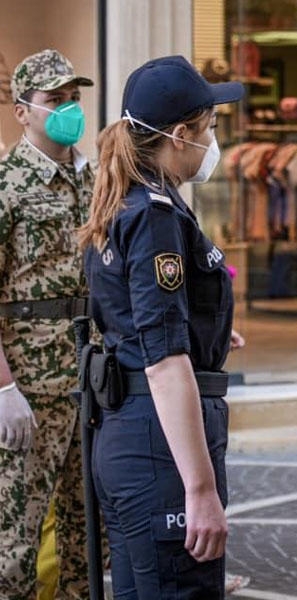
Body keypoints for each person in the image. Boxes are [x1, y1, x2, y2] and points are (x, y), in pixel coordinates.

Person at [79, 55, 244, 598]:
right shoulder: (153, 214)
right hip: (159, 446)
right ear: (180, 135)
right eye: (210, 129)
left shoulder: (126, 199)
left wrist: (206, 330)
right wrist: (199, 490)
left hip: (130, 435)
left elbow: (137, 315)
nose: (213, 141)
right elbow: (165, 364)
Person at [0, 48, 95, 600]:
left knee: (89, 543)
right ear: (22, 112)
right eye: (54, 99)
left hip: (90, 383)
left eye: (74, 97)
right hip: (30, 393)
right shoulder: (7, 185)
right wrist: (5, 387)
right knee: (14, 548)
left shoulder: (94, 178)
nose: (69, 109)